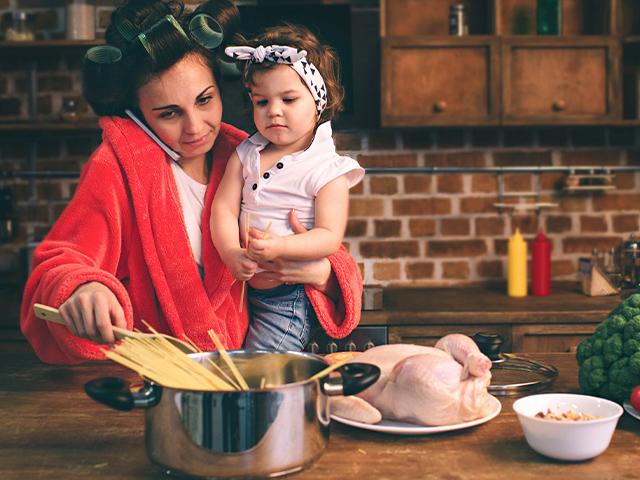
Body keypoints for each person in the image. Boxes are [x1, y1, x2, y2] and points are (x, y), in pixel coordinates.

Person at [20, 0, 363, 365]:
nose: (196, 128)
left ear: (221, 88)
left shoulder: (240, 154)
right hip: (154, 377)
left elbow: (327, 247)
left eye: (205, 100)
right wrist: (84, 287)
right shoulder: (118, 168)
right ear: (136, 111)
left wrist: (322, 274)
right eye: (169, 113)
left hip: (236, 366)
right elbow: (63, 262)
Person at [211, 24, 364, 351]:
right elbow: (222, 209)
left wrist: (280, 248)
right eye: (262, 102)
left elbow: (328, 236)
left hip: (287, 297)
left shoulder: (327, 169)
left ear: (319, 101)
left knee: (262, 367)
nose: (273, 111)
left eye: (289, 99)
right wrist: (230, 252)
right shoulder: (246, 153)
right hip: (244, 289)